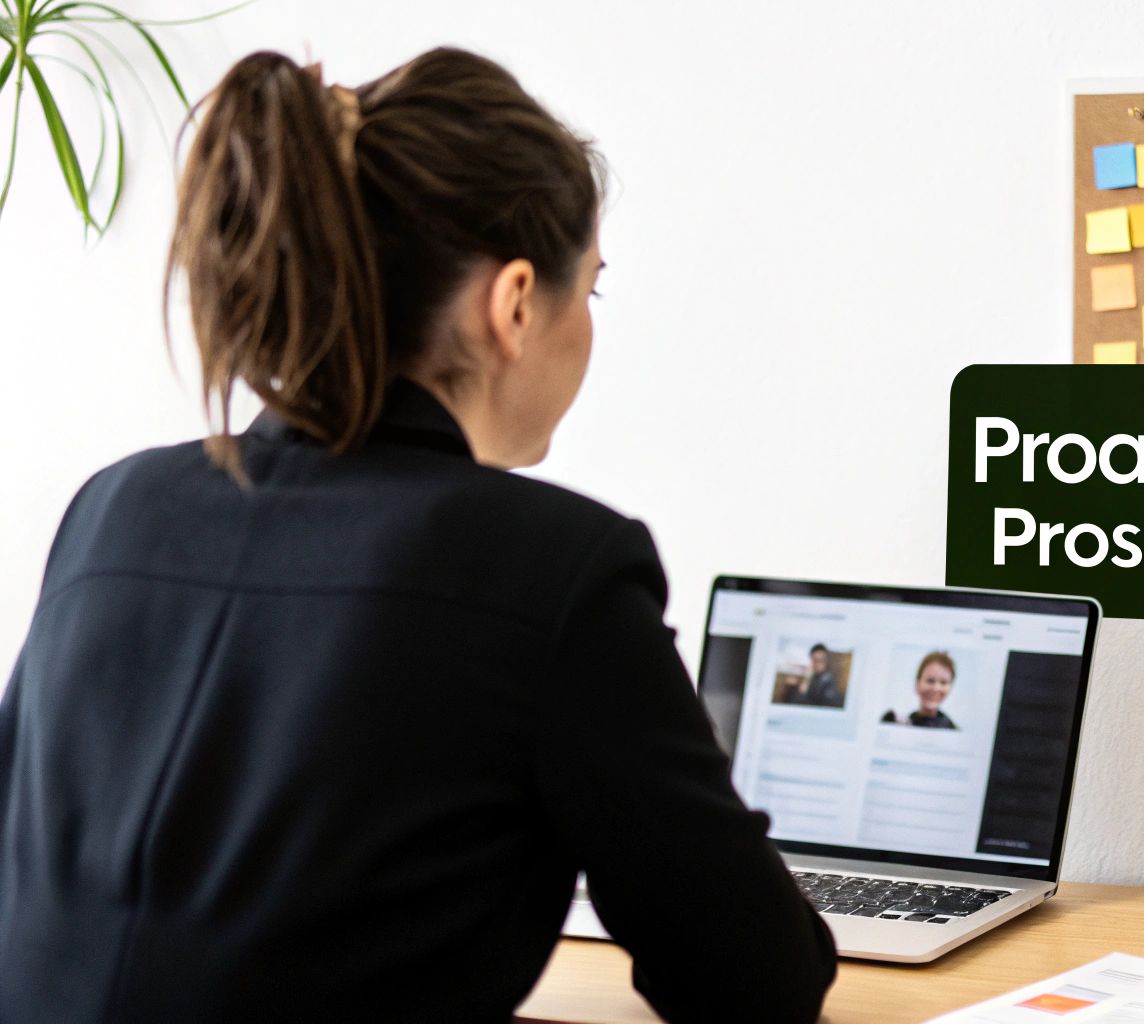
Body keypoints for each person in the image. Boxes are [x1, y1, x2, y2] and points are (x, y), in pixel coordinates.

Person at [0, 49, 833, 1023]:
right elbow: (754, 981)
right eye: (590, 291)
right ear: (514, 302)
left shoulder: (115, 506)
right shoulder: (553, 570)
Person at [881, 652, 959, 730]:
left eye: (943, 682)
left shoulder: (953, 730)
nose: (936, 688)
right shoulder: (901, 724)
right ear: (917, 684)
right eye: (930, 681)